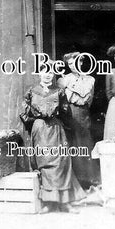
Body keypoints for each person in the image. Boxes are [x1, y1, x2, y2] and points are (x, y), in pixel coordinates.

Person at [20, 65, 86, 214]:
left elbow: (66, 112)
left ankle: (65, 202)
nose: (48, 75)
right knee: (44, 162)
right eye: (45, 72)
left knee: (61, 162)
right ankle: (49, 203)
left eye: (50, 72)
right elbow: (24, 113)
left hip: (56, 128)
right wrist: (36, 123)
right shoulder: (31, 91)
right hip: (40, 129)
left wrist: (59, 122)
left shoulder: (59, 91)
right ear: (39, 74)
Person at [59, 52, 100, 188]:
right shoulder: (63, 79)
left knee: (85, 143)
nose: (73, 66)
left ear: (81, 62)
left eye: (76, 62)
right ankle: (75, 181)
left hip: (83, 113)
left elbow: (89, 98)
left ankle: (90, 178)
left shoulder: (90, 79)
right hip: (69, 113)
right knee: (72, 144)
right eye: (70, 64)